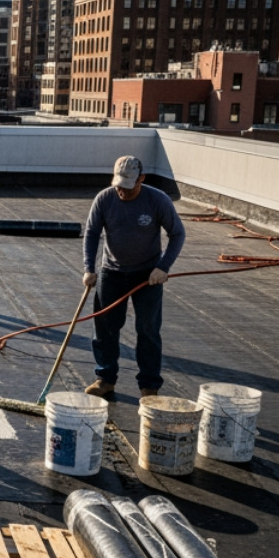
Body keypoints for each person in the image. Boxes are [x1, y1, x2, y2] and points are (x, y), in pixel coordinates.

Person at [82, 155, 185, 400]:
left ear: (141, 179)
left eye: (128, 187)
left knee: (148, 329)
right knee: (106, 328)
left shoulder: (157, 200)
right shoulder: (104, 199)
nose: (122, 191)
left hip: (148, 275)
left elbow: (177, 234)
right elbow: (92, 233)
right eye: (119, 185)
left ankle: (149, 386)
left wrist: (163, 267)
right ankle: (105, 378)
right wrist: (89, 268)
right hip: (112, 273)